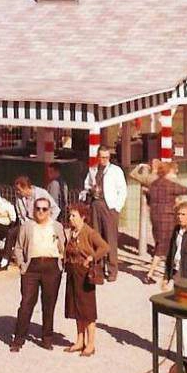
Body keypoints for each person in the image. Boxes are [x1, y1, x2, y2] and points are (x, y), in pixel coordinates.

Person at [10, 194, 66, 352]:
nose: (41, 212)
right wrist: (22, 265)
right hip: (31, 268)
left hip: (52, 267)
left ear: (49, 211)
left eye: (44, 209)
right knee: (26, 303)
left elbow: (63, 247)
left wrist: (61, 264)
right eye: (38, 208)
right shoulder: (28, 226)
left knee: (49, 304)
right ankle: (18, 339)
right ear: (33, 210)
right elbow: (19, 247)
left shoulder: (57, 226)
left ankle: (47, 338)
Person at [145, 160, 187, 283]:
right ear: (168, 172)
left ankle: (167, 269)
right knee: (164, 246)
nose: (175, 174)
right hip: (167, 218)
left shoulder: (153, 184)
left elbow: (149, 199)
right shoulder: (169, 185)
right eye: (173, 172)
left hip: (154, 217)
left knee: (161, 244)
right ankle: (150, 273)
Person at [63, 206, 110, 356]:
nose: (70, 218)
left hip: (84, 274)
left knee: (87, 310)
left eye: (74, 216)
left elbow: (105, 247)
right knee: (76, 308)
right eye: (70, 216)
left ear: (83, 217)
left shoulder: (89, 232)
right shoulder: (72, 232)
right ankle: (79, 341)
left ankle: (90, 344)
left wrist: (91, 257)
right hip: (72, 272)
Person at [83, 149, 126, 280]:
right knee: (97, 237)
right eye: (101, 157)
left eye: (106, 157)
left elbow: (122, 190)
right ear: (98, 157)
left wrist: (116, 208)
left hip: (109, 207)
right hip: (96, 205)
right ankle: (98, 268)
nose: (104, 160)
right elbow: (86, 185)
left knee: (110, 239)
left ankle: (112, 269)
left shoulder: (115, 171)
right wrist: (90, 191)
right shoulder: (93, 170)